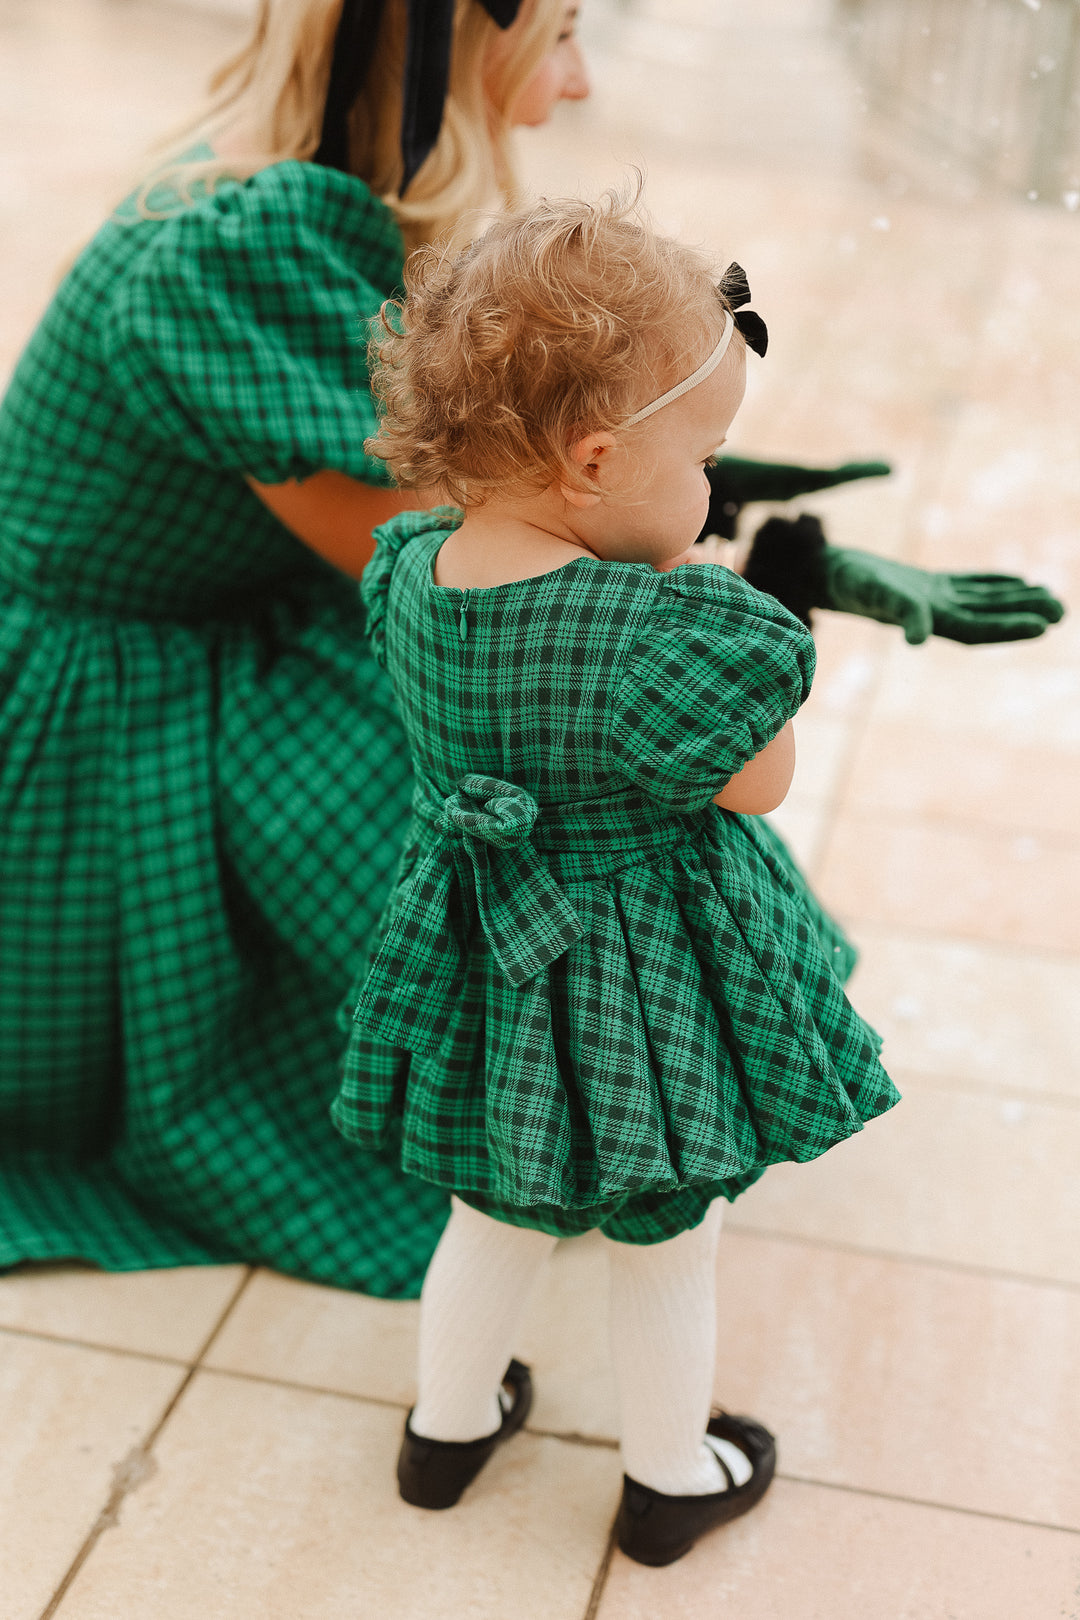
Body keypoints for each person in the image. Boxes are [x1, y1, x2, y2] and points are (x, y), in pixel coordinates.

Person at [330, 189, 900, 1565]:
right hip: (643, 980)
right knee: (666, 1234)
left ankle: (448, 1429)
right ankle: (666, 1475)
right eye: (708, 456)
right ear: (593, 461)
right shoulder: (657, 635)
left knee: (491, 1207)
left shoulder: (410, 566)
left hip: (478, 953)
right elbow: (757, 784)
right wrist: (761, 610)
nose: (715, 491)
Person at [0, 0, 589, 1293]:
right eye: (559, 37)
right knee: (511, 821)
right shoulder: (234, 251)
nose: (579, 85)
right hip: (81, 721)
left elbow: (489, 488)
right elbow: (449, 567)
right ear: (440, 53)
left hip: (218, 628)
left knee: (527, 810)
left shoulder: (308, 204)